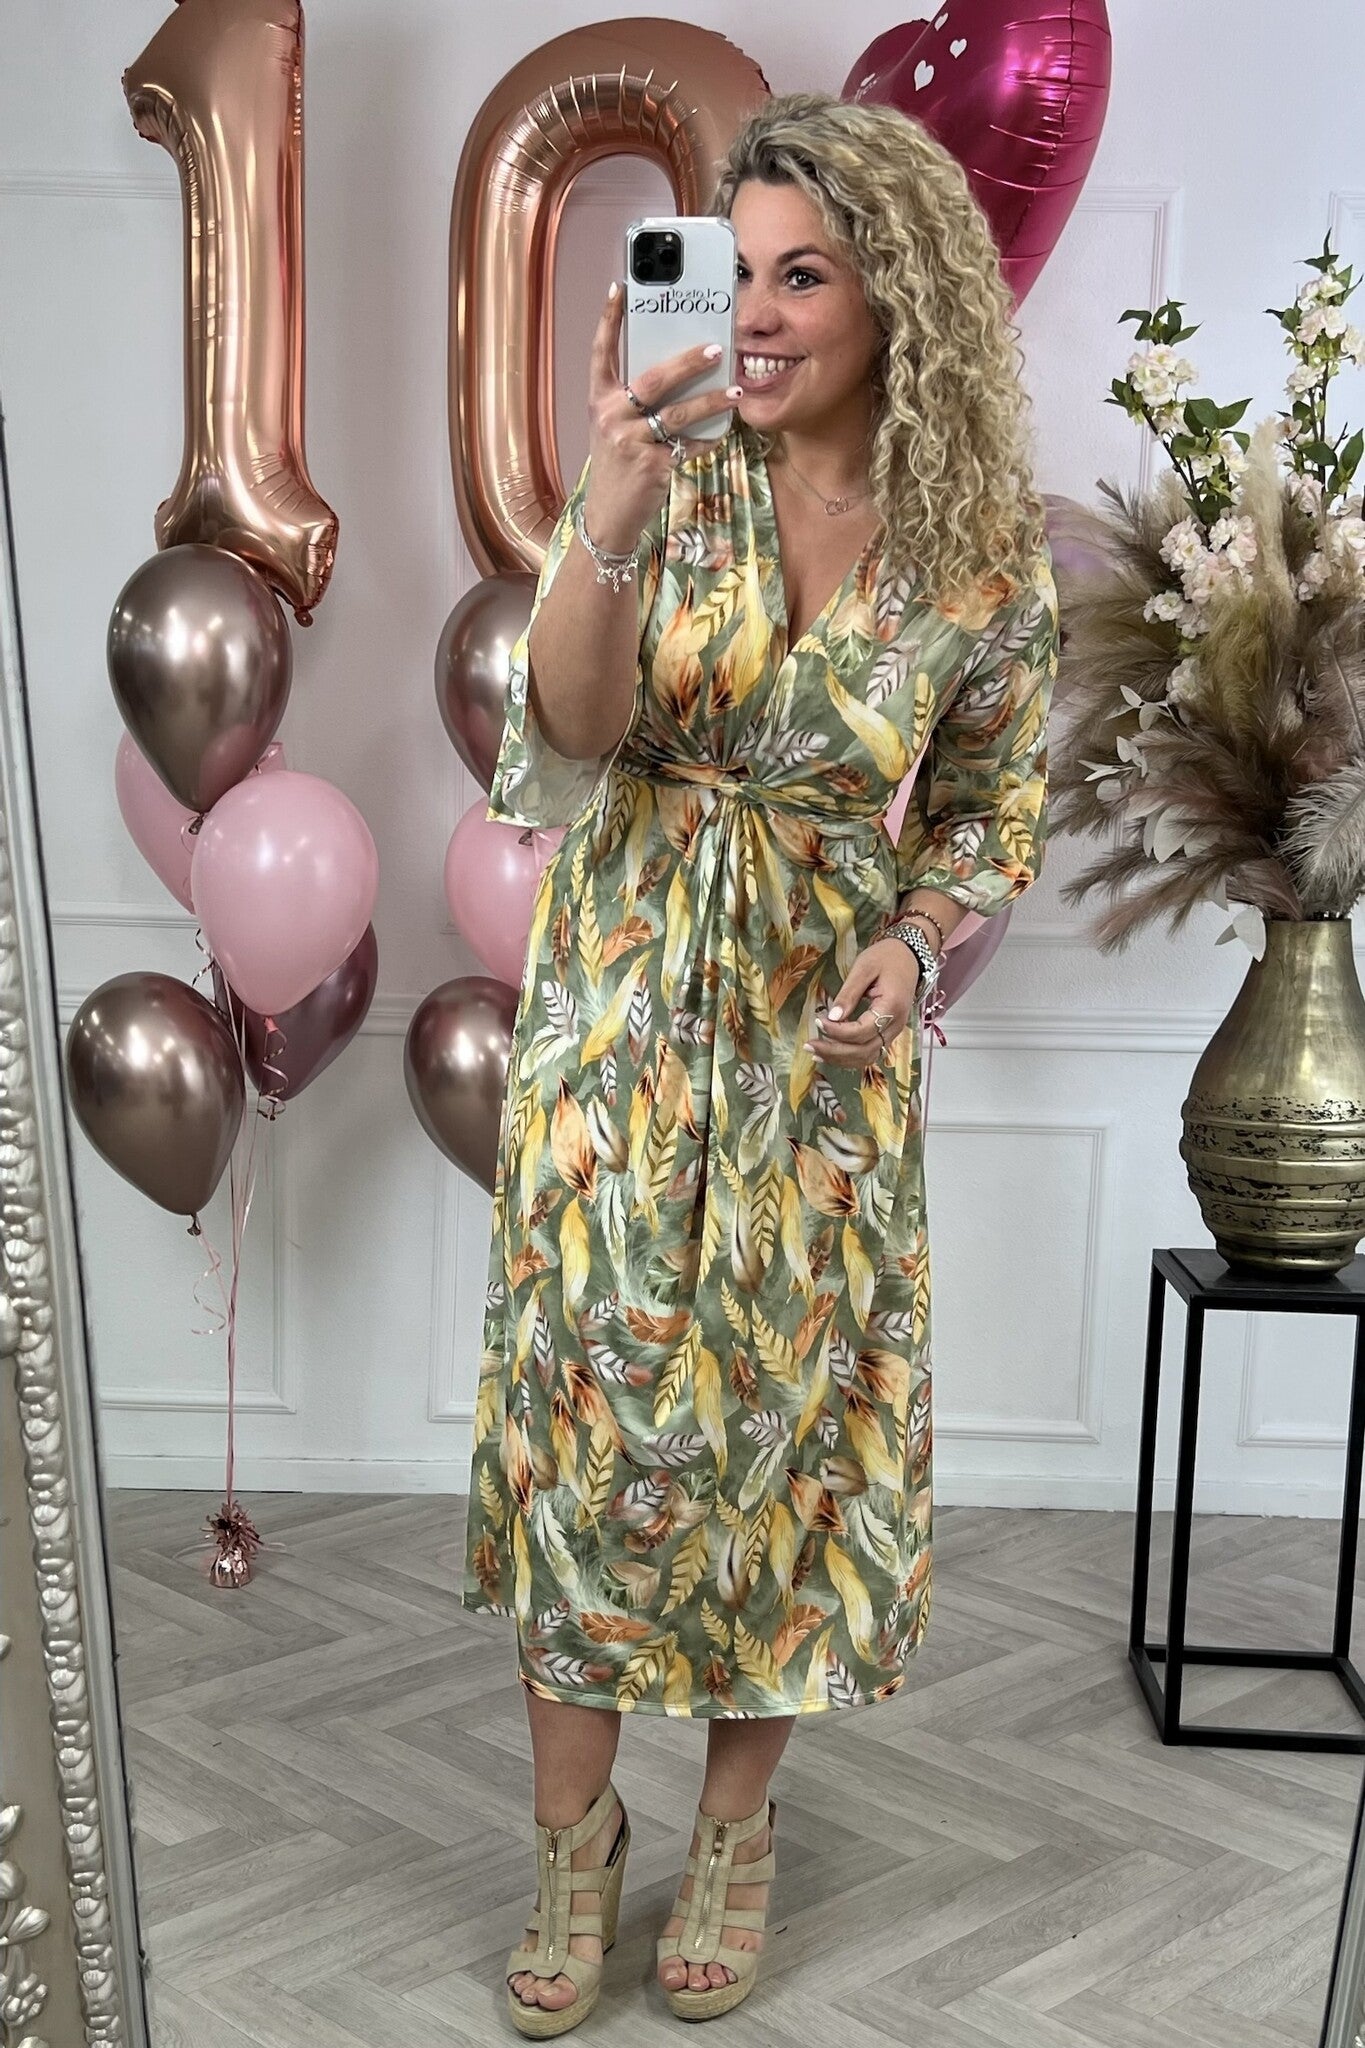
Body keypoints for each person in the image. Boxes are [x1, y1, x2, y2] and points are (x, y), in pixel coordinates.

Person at [461, 90, 1059, 2035]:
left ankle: (733, 1834)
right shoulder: (674, 463)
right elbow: (563, 744)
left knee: (784, 1445)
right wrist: (607, 514)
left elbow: (981, 816)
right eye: (742, 273)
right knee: (589, 1427)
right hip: (622, 1017)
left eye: (807, 274)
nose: (763, 312)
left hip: (816, 1045)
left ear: (899, 298)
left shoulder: (980, 556)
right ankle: (571, 1848)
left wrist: (910, 941)